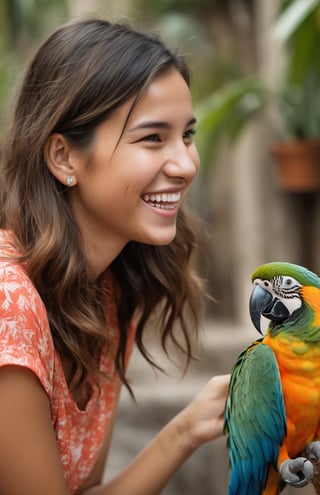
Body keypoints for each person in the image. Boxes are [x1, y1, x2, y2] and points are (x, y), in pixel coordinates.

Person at [0, 17, 230, 495]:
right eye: (152, 138)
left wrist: (188, 429)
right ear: (64, 158)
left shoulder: (107, 290)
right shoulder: (11, 308)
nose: (186, 165)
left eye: (187, 135)